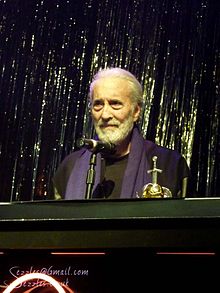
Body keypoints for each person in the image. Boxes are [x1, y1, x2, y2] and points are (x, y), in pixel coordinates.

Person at [49, 67, 190, 200]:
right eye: (98, 104)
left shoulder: (170, 165)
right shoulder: (70, 167)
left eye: (115, 104)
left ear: (136, 111)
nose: (105, 114)